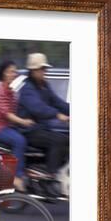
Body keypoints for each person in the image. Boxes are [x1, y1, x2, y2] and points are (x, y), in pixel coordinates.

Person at [17, 53, 70, 191]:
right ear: (33, 71)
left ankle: (54, 169)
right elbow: (38, 108)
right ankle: (50, 176)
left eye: (45, 69)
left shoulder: (44, 86)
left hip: (41, 128)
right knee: (58, 140)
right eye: (41, 69)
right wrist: (58, 115)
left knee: (68, 141)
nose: (44, 72)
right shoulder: (27, 89)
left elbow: (57, 102)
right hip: (29, 131)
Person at [0, 60, 35, 192]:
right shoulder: (0, 90)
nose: (15, 74)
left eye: (15, 71)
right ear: (4, 74)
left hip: (8, 126)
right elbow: (7, 114)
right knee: (19, 140)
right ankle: (17, 176)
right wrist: (23, 121)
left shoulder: (10, 90)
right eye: (11, 71)